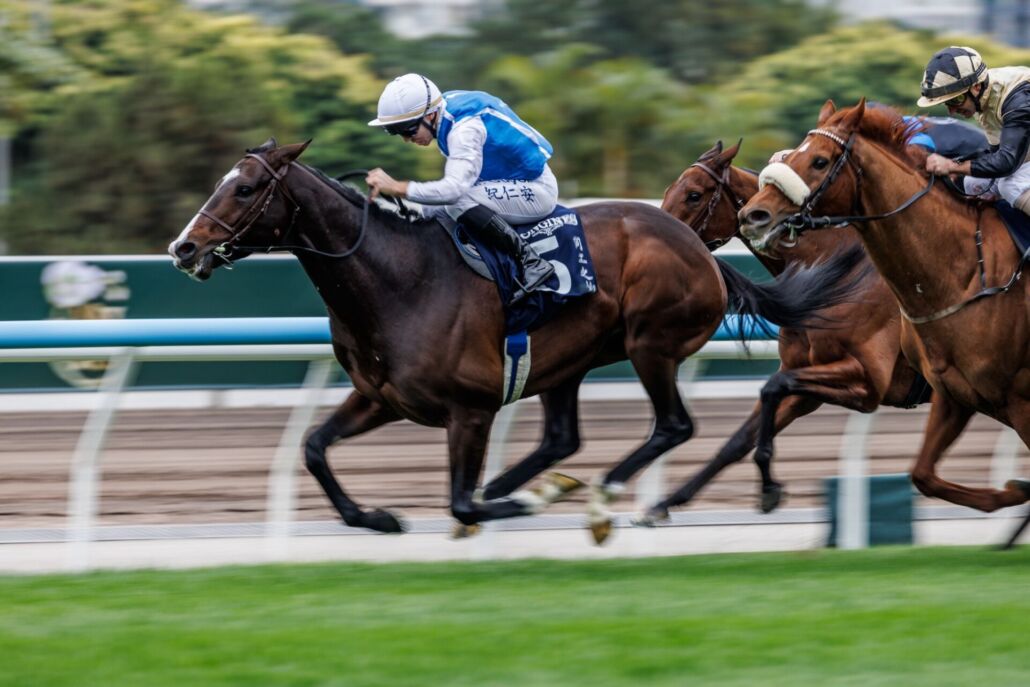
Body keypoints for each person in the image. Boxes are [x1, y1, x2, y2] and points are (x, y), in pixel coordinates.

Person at [365, 73, 556, 304]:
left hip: (537, 190)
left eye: (408, 130)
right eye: (397, 132)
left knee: (457, 201)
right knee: (431, 210)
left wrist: (398, 187)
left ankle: (530, 261)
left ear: (430, 115)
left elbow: (454, 190)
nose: (406, 139)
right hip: (511, 182)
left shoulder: (464, 130)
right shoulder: (443, 109)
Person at [917, 46, 1030, 213]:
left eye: (956, 100)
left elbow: (1007, 162)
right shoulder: (984, 94)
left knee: (1012, 185)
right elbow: (997, 153)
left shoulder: (1018, 101)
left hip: (1015, 162)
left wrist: (952, 167)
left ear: (976, 87)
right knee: (973, 183)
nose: (952, 111)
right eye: (947, 103)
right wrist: (957, 163)